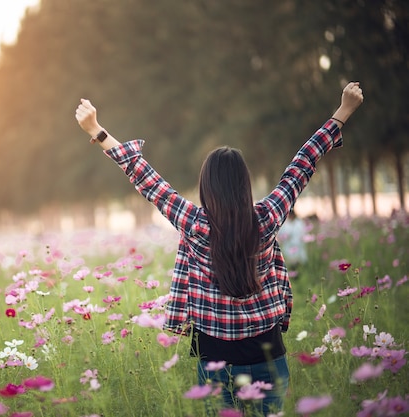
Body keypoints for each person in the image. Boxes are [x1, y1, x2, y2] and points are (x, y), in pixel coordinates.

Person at [75, 82, 364, 415]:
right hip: (269, 356)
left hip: (214, 363)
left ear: (205, 186)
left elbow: (146, 178)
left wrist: (96, 130)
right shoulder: (268, 217)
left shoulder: (194, 224)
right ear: (244, 184)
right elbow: (301, 166)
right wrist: (342, 112)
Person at [278, 209, 308, 275]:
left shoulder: (299, 223)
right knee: (291, 264)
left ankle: (301, 274)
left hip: (299, 246)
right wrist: (285, 237)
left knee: (300, 262)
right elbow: (280, 235)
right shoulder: (285, 224)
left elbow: (303, 234)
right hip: (288, 247)